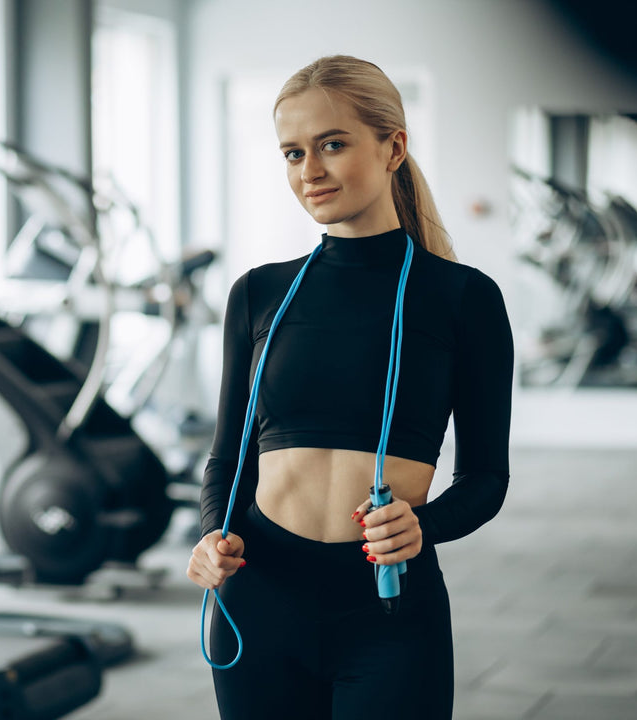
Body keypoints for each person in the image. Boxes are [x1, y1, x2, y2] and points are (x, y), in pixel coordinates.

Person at [186, 55, 514, 720]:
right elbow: (229, 456)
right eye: (293, 152)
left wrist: (425, 525)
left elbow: (485, 478)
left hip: (387, 611)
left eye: (332, 145)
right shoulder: (258, 294)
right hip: (257, 602)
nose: (310, 171)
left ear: (393, 146)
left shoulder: (462, 298)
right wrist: (211, 536)